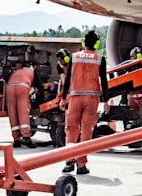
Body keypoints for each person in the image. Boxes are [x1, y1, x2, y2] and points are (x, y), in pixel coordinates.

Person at [59, 31, 110, 175]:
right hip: (92, 99)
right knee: (86, 131)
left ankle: (69, 162)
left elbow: (67, 79)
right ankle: (81, 165)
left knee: (71, 129)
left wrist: (63, 98)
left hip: (75, 97)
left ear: (83, 43)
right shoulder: (100, 59)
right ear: (97, 43)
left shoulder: (74, 57)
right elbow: (104, 82)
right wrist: (106, 101)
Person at [6, 60, 36, 148]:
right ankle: (26, 137)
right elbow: (39, 86)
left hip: (9, 88)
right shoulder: (32, 72)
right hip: (22, 88)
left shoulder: (16, 72)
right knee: (23, 111)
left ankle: (16, 139)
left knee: (13, 113)